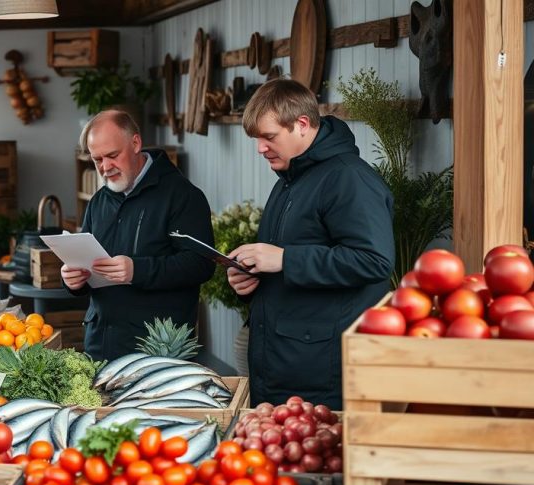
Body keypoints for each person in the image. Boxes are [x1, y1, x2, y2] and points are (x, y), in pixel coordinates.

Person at [227, 79, 394, 410]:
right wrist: (251, 278)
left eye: (269, 137)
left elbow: (374, 261)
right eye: (256, 139)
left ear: (302, 125)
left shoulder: (349, 179)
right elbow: (293, 257)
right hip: (284, 364)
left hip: (320, 373)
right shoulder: (290, 179)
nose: (260, 148)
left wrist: (285, 260)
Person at [61, 110, 215, 361]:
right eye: (97, 159)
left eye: (112, 156)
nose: (105, 167)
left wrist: (137, 270)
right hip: (100, 345)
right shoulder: (99, 201)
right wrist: (72, 279)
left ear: (135, 143)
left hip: (156, 353)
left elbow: (201, 264)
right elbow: (85, 260)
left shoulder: (182, 195)